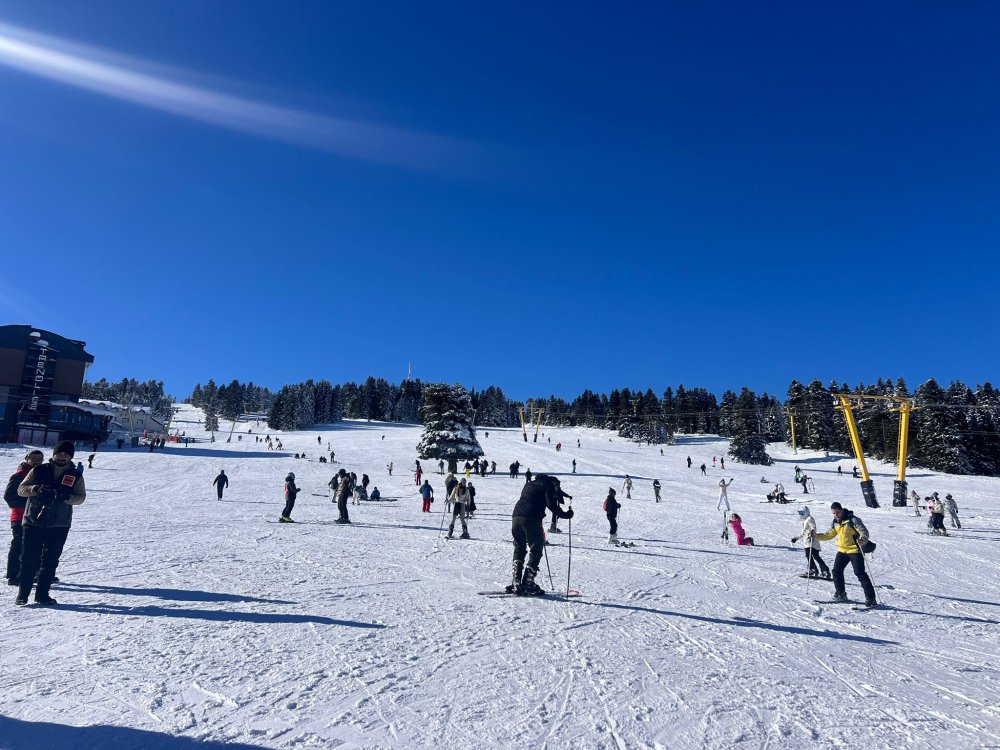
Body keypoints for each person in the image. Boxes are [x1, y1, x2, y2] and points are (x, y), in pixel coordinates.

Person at [14, 440, 86, 605]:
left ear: (71, 456)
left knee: (50, 561)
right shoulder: (39, 470)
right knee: (28, 559)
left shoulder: (75, 475)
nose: (62, 456)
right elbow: (21, 489)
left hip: (59, 524)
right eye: (60, 453)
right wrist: (35, 489)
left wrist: (67, 498)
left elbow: (81, 498)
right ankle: (22, 594)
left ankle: (42, 595)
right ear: (54, 454)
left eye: (66, 454)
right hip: (33, 521)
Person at [508, 475, 573, 595]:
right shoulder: (548, 484)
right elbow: (551, 505)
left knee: (519, 547)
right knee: (536, 548)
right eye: (557, 486)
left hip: (516, 517)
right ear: (553, 483)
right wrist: (566, 514)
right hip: (531, 519)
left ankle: (516, 581)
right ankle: (528, 583)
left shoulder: (529, 484)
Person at [814, 502, 877, 606]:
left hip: (855, 551)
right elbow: (829, 535)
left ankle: (871, 598)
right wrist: (817, 536)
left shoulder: (852, 520)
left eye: (837, 512)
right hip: (842, 551)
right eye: (833, 513)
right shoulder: (835, 522)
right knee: (836, 571)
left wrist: (862, 539)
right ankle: (841, 594)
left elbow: (864, 531)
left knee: (860, 573)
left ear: (841, 510)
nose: (836, 515)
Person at [5, 450, 44, 586]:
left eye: (40, 459)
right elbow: (10, 497)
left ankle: (35, 572)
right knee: (19, 545)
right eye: (33, 458)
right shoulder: (19, 475)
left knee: (35, 545)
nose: (37, 461)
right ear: (27, 459)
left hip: (36, 517)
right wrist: (29, 506)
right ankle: (13, 574)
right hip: (20, 517)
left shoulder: (41, 474)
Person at [792, 506, 831, 579]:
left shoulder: (810, 519)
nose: (801, 514)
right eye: (800, 513)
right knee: (811, 556)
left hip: (812, 541)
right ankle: (816, 570)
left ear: (806, 512)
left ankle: (822, 570)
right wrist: (796, 538)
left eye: (802, 513)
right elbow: (803, 532)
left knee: (813, 556)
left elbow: (813, 527)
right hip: (807, 541)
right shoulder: (805, 520)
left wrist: (813, 532)